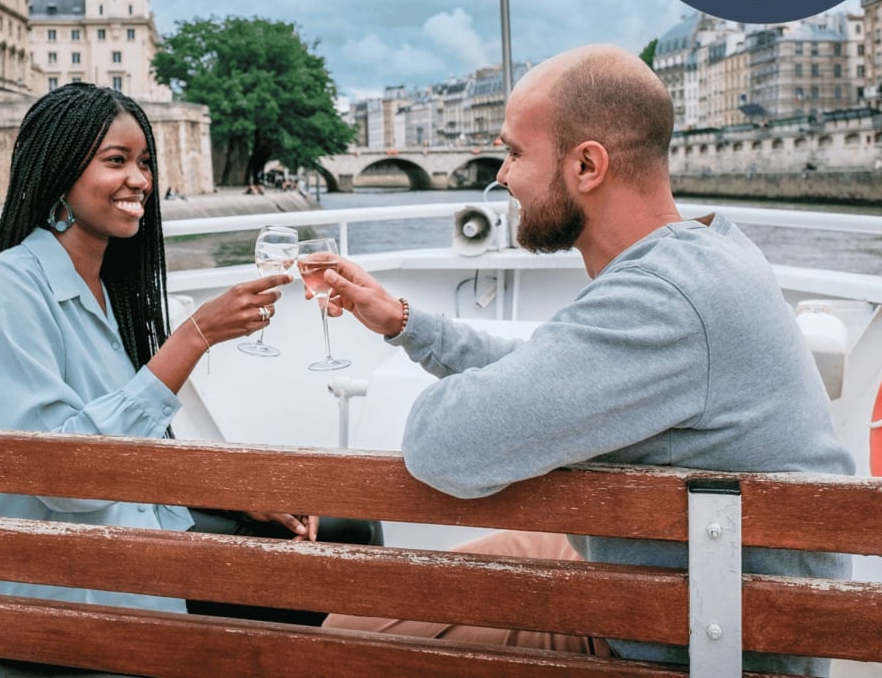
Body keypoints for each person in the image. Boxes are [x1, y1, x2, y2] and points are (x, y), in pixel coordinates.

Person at [315, 45, 853, 676]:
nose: (501, 176)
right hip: (681, 589)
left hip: (685, 640)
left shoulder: (663, 301)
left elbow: (442, 444)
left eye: (515, 153)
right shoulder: (706, 256)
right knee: (375, 595)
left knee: (349, 630)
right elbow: (547, 374)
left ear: (588, 166)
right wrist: (407, 324)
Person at [0, 81, 378, 624]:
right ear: (59, 173)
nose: (139, 180)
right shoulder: (7, 286)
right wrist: (193, 337)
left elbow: (122, 449)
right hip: (51, 582)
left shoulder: (105, 288)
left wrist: (222, 492)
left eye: (143, 162)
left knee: (345, 528)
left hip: (118, 536)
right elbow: (65, 479)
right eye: (116, 161)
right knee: (335, 564)